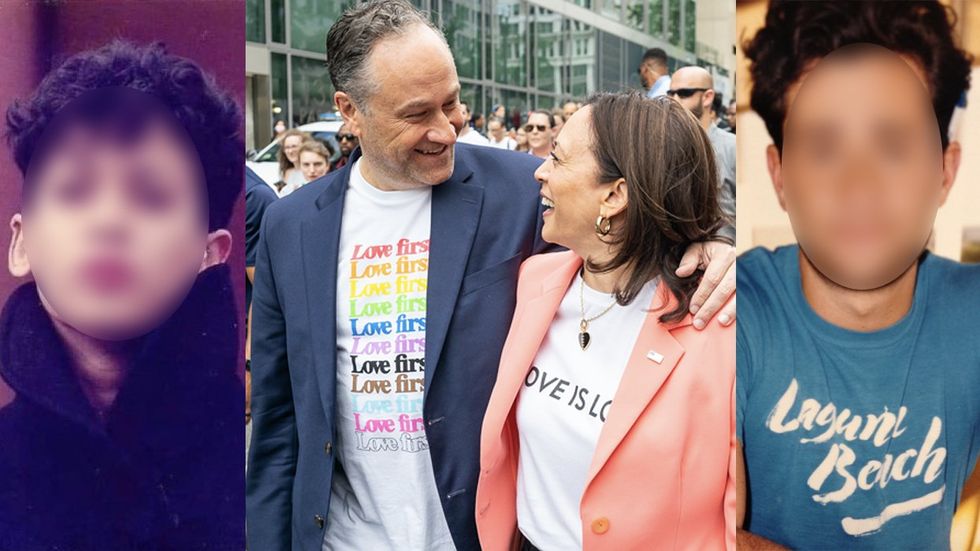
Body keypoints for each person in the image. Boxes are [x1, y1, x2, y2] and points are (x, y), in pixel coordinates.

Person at [246, 2, 736, 550]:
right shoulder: (290, 227)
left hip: (473, 537)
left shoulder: (525, 191)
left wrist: (715, 247)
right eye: (415, 114)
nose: (446, 129)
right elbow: (277, 423)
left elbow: (633, 227)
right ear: (350, 111)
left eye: (452, 102)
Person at [738, 3, 978, 549]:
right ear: (780, 176)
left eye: (892, 145)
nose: (859, 185)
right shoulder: (734, 308)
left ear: (945, 170)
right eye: (824, 149)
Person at [0, 40, 244, 550]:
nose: (109, 221)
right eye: (74, 191)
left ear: (211, 253)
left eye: (151, 196)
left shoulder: (254, 451)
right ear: (21, 243)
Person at [476, 93, 735, 550]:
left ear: (614, 195)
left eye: (557, 157)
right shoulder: (535, 282)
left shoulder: (721, 325)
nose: (540, 170)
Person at [670, 66, 736, 226]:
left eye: (685, 93)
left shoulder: (732, 147)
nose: (674, 100)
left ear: (707, 97)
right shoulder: (665, 147)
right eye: (670, 94)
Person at [275, 128, 308, 196]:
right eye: (287, 147)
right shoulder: (286, 172)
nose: (290, 151)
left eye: (294, 146)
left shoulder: (312, 172)